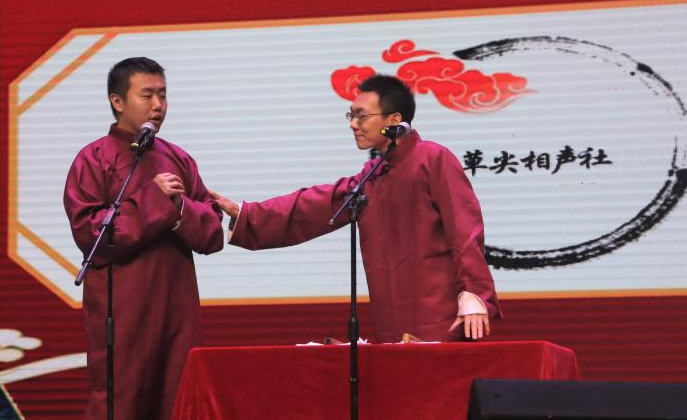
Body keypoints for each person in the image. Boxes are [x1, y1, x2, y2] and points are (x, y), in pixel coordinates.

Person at [211, 74, 499, 343]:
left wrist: (475, 292)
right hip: (391, 318)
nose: (353, 124)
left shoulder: (433, 158)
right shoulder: (373, 175)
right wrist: (247, 213)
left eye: (362, 115)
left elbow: (465, 230)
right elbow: (313, 206)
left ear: (394, 121)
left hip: (441, 315)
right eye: (351, 115)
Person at [63, 57, 223, 420]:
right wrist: (153, 201)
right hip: (122, 310)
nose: (158, 105)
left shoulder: (179, 159)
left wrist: (178, 208)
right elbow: (92, 235)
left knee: (173, 405)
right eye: (147, 95)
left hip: (175, 310)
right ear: (118, 101)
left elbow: (212, 233)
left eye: (163, 95)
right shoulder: (94, 159)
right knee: (121, 407)